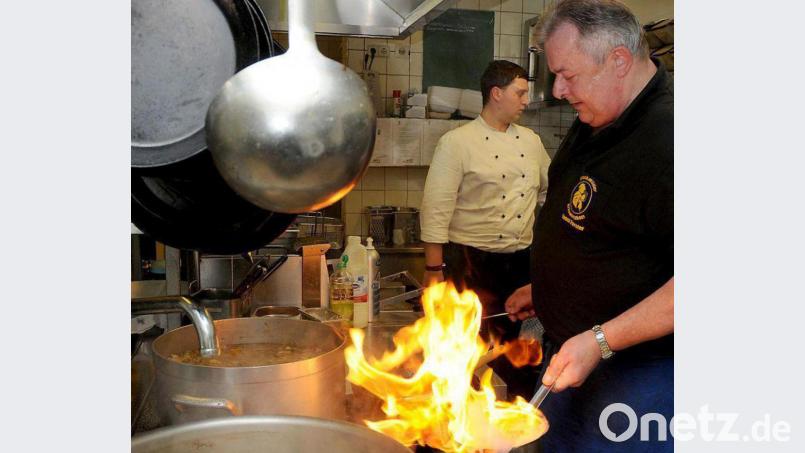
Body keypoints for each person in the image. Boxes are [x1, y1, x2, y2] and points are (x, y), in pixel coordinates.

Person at [504, 0, 674, 451]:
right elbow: (593, 221)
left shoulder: (673, 139)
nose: (559, 90)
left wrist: (599, 341)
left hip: (639, 380)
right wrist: (551, 287)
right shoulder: (598, 116)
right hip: (573, 359)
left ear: (618, 61)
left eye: (568, 75)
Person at [419, 60, 551, 399]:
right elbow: (436, 209)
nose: (525, 100)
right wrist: (433, 271)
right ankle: (464, 423)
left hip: (521, 263)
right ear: (496, 93)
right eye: (519, 93)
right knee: (469, 349)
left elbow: (549, 195)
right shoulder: (457, 142)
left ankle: (514, 418)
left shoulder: (532, 142)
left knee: (518, 351)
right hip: (471, 263)